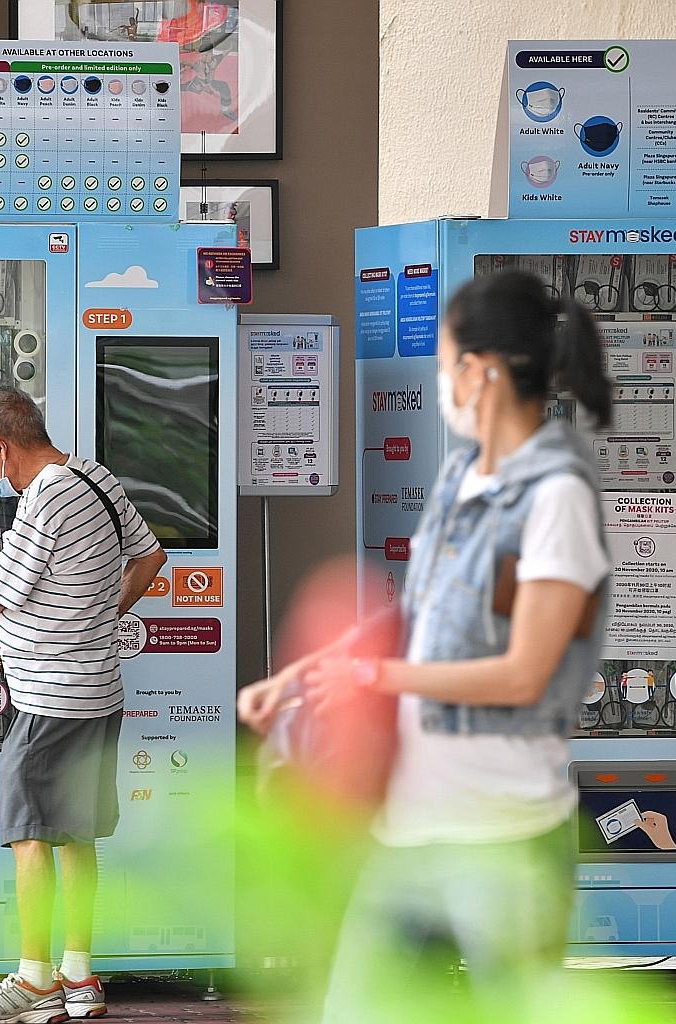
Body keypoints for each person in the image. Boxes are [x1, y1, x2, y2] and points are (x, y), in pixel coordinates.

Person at [239, 270, 614, 1019]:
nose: (442, 382)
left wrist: (375, 677)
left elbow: (524, 676)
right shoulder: (458, 479)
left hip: (505, 836)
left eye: (445, 365)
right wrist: (304, 675)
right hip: (410, 831)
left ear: (482, 372)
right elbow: (412, 621)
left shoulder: (558, 498)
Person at [0, 384, 166, 1024]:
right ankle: (79, 975)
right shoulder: (95, 476)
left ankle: (33, 978)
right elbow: (151, 555)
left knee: (28, 836)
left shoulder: (43, 498)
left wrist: (10, 597)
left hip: (49, 696)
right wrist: (107, 611)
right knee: (75, 833)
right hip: (98, 692)